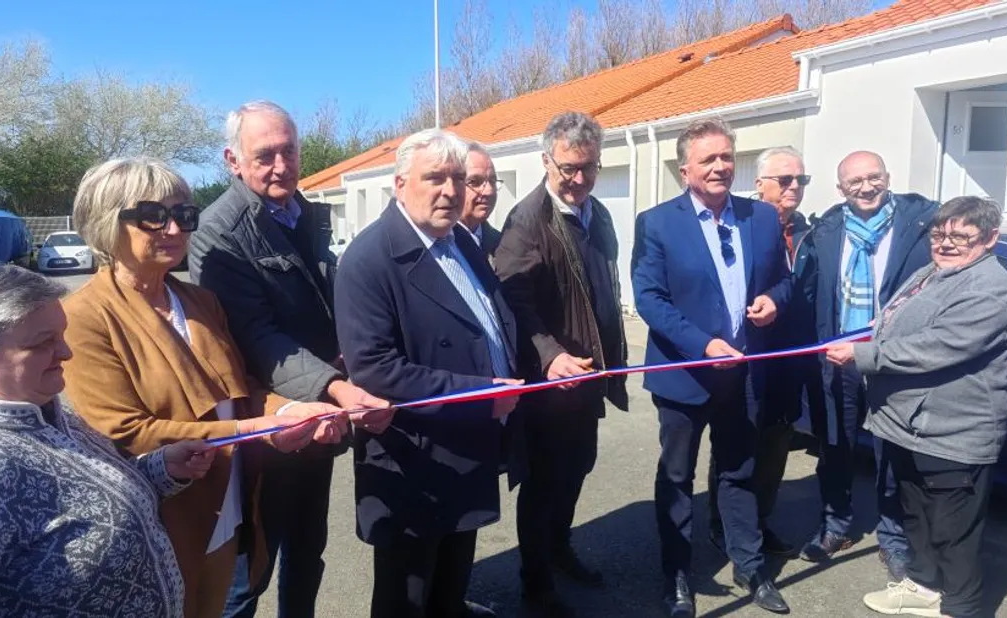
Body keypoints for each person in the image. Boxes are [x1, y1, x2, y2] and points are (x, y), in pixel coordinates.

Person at [60, 156, 348, 618]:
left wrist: (286, 413)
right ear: (106, 222)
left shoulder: (199, 300)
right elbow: (124, 434)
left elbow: (240, 389)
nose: (174, 229)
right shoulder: (85, 318)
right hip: (162, 528)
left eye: (184, 216)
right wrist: (259, 426)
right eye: (154, 216)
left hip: (228, 512)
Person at [190, 100, 393, 618]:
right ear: (233, 161)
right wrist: (334, 386)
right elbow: (256, 337)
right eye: (265, 155)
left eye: (289, 151)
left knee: (308, 549)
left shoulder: (304, 213)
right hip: (268, 420)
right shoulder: (221, 231)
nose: (281, 165)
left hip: (321, 417)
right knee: (249, 569)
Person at [0, 264, 212, 617]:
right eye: (43, 343)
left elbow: (86, 495)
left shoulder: (44, 411)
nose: (66, 353)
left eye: (61, 336)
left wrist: (160, 468)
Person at [334, 128, 522, 618]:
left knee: (450, 586)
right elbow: (375, 370)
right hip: (415, 462)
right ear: (400, 184)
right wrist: (482, 396)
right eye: (434, 177)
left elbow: (493, 319)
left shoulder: (459, 238)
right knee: (406, 598)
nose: (450, 190)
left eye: (457, 178)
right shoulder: (368, 260)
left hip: (467, 447)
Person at [824, 196, 1007, 618]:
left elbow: (938, 347)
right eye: (939, 233)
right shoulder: (933, 272)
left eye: (960, 236)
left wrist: (863, 355)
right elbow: (891, 318)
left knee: (954, 533)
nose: (946, 243)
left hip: (953, 433)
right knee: (917, 516)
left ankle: (961, 608)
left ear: (990, 239)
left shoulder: (991, 289)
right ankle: (923, 587)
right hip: (910, 426)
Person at [632, 118, 791, 617]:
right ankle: (677, 574)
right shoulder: (657, 223)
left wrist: (773, 300)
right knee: (677, 477)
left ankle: (749, 563)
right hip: (685, 375)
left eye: (727, 157)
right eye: (709, 159)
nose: (721, 166)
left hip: (744, 376)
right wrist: (703, 345)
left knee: (739, 472)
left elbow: (784, 282)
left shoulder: (760, 218)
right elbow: (650, 300)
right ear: (685, 170)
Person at [494, 111, 628, 618]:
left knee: (577, 470)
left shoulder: (599, 215)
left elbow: (604, 291)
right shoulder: (528, 221)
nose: (578, 179)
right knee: (544, 483)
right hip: (550, 384)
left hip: (590, 375)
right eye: (568, 168)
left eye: (589, 168)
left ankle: (558, 547)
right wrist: (549, 354)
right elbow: (513, 299)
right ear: (545, 161)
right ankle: (535, 582)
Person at [796, 151, 937, 581]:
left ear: (888, 177)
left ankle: (894, 537)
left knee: (891, 455)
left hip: (892, 362)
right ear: (841, 189)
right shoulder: (827, 230)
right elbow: (805, 290)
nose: (866, 187)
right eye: (854, 181)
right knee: (835, 447)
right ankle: (835, 524)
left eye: (873, 177)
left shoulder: (921, 224)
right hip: (839, 359)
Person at [708, 145, 814, 556]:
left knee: (774, 445)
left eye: (801, 180)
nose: (794, 188)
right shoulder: (740, 223)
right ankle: (725, 523)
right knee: (736, 444)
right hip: (745, 355)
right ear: (760, 184)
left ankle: (760, 519)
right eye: (784, 180)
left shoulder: (810, 232)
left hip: (790, 360)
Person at [461, 141, 503, 261]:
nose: (488, 191)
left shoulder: (503, 245)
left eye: (493, 181)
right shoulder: (438, 246)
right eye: (474, 181)